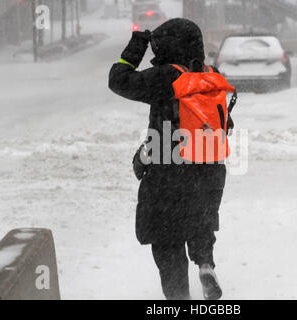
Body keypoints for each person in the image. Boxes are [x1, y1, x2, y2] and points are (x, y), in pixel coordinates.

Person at [108, 18, 231, 300]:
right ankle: (205, 264)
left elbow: (118, 80)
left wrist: (136, 45)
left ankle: (179, 300)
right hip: (211, 169)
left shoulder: (166, 77)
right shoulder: (212, 76)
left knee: (167, 239)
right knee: (200, 222)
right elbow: (224, 124)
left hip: (169, 174)